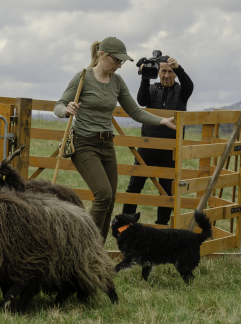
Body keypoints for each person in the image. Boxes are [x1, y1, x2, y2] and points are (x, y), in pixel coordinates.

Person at [54, 37, 176, 242]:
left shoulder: (117, 82)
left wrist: (162, 120)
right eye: (117, 61)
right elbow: (59, 104)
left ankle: (96, 255)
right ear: (103, 55)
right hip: (84, 143)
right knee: (103, 195)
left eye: (122, 62)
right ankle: (85, 247)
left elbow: (135, 112)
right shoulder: (82, 77)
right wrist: (66, 110)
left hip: (106, 145)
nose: (120, 65)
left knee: (109, 202)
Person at [121, 55, 193, 225]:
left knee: (166, 188)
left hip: (171, 148)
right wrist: (145, 76)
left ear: (175, 74)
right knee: (135, 184)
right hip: (147, 145)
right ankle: (126, 221)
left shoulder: (182, 91)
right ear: (158, 73)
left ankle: (162, 224)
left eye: (170, 71)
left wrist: (179, 68)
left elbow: (189, 85)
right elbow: (141, 100)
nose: (167, 75)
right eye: (163, 71)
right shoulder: (151, 89)